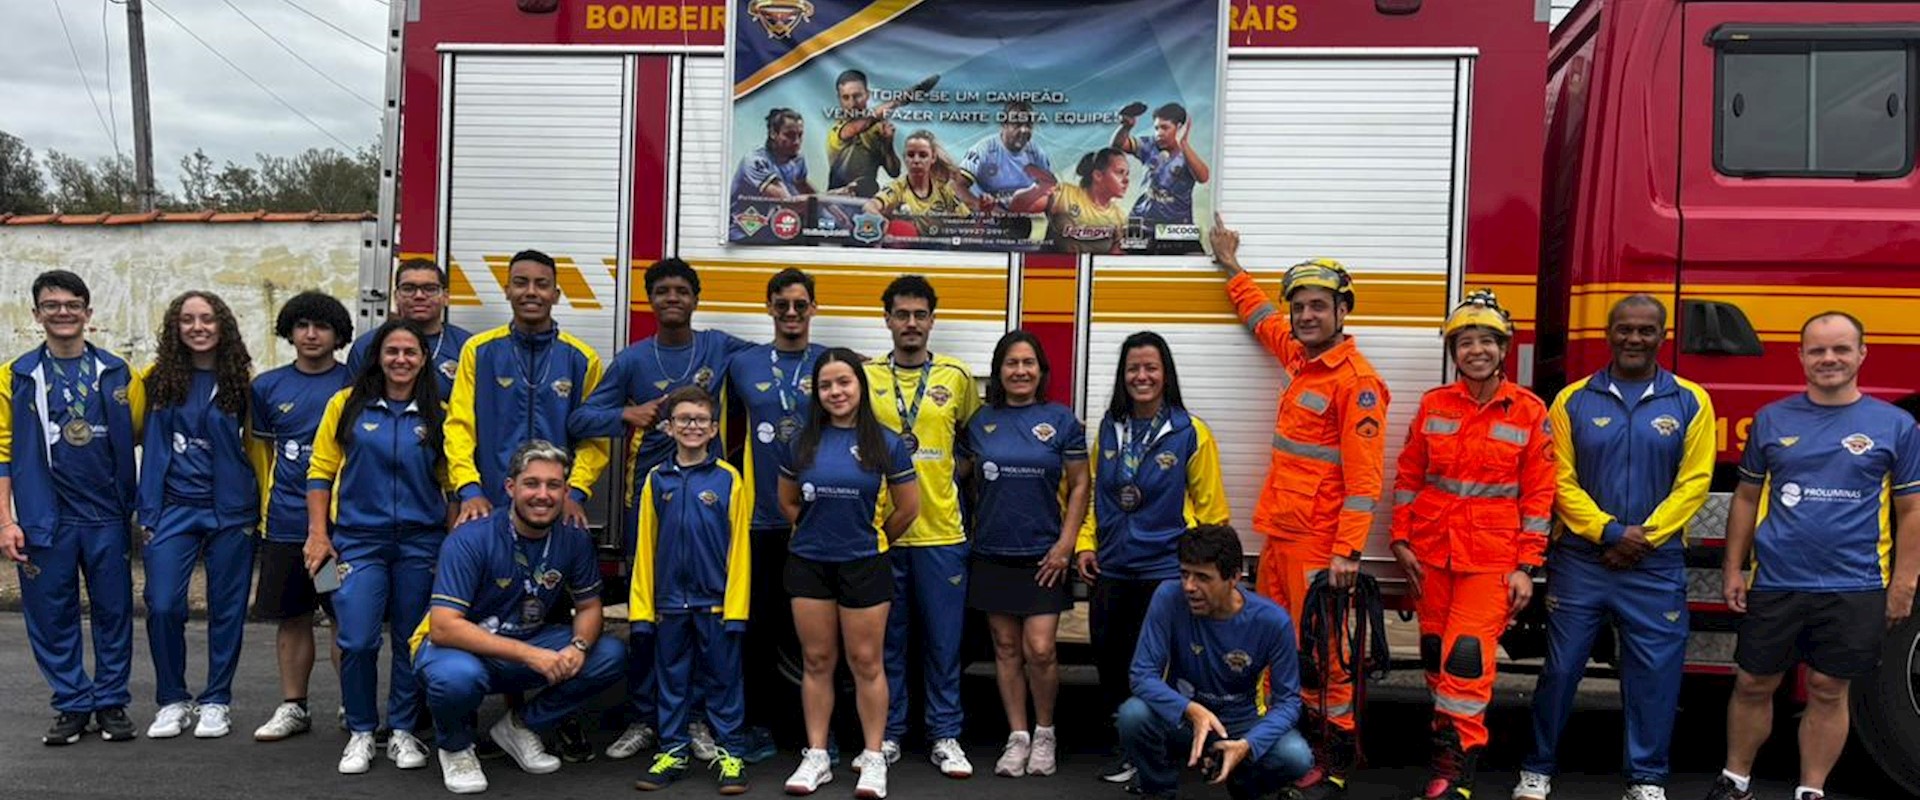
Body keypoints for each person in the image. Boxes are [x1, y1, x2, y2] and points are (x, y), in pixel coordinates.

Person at [1705, 312, 1920, 800]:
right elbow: (1745, 498)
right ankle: (1735, 781)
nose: (1829, 359)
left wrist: (1904, 583)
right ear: (1801, 356)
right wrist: (1733, 567)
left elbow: (1911, 511)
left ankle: (1811, 790)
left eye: (1841, 349)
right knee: (1753, 682)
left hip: (1855, 585)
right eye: (1818, 350)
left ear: (1862, 354)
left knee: (1828, 687)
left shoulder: (1896, 426)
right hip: (1776, 580)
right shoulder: (1771, 419)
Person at [1211, 219, 1387, 799]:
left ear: (1343, 311)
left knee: (1324, 657)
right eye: (1301, 306)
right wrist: (1233, 268)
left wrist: (1348, 553)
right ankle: (1288, 751)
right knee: (1279, 650)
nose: (1306, 316)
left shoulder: (1357, 384)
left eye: (1318, 306)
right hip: (1281, 537)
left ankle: (1331, 760)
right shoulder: (1301, 359)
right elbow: (1264, 320)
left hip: (1319, 547)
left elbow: (1364, 481)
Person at [1517, 295, 1714, 800]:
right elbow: (1559, 479)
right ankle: (1537, 769)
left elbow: (1695, 482)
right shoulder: (1572, 400)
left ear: (1663, 336)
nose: (1634, 338)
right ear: (1609, 333)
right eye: (1625, 329)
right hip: (1582, 560)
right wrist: (1607, 532)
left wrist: (1643, 537)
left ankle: (1646, 779)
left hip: (1654, 561)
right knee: (1561, 670)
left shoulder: (1691, 400)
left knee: (1655, 676)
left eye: (1646, 330)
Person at [573, 256, 751, 762]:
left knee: (705, 623)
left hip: (710, 504)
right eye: (662, 291)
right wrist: (625, 413)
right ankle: (644, 718)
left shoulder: (717, 346)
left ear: (696, 298)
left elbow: (774, 357)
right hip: (651, 501)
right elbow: (581, 418)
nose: (673, 298)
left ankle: (695, 719)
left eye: (682, 291)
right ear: (649, 300)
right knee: (650, 616)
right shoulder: (632, 360)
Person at [1388, 290, 1553, 800]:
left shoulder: (1529, 412)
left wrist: (1527, 565)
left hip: (1491, 559)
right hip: (1432, 552)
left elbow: (1539, 495)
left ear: (1503, 348)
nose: (1476, 350)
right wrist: (1400, 537)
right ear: (1454, 351)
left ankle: (1457, 763)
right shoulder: (1434, 404)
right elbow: (1409, 475)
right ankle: (1446, 741)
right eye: (1465, 342)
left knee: (1465, 658)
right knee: (1435, 655)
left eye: (1486, 341)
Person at [411, 440, 626, 795]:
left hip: (525, 642)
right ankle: (456, 747)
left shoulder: (573, 538)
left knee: (609, 655)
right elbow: (444, 627)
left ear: (566, 491)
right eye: (531, 484)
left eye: (553, 485)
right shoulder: (471, 537)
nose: (542, 495)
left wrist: (577, 646)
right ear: (510, 487)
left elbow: (589, 608)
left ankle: (520, 726)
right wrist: (531, 655)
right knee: (456, 678)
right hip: (461, 650)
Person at [1074, 331, 1231, 785]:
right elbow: (1097, 496)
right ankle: (1129, 749)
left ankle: (1161, 756)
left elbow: (1212, 513)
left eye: (1150, 368)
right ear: (1122, 376)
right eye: (1133, 369)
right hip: (1112, 568)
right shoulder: (1110, 428)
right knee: (1112, 664)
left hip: (1164, 571)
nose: (1141, 377)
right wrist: (1086, 542)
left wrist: (1202, 574)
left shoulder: (1190, 432)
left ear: (1166, 375)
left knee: (1159, 671)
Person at [0, 270, 144, 745]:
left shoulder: (118, 372)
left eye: (72, 304)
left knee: (114, 613)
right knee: (51, 615)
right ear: (36, 313)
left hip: (106, 515)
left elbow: (139, 432)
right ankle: (72, 703)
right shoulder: (16, 376)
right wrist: (5, 521)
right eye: (52, 305)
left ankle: (111, 701)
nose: (62, 312)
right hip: (45, 518)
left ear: (88, 312)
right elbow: (2, 453)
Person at [305, 320, 451, 774]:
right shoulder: (346, 405)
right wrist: (318, 534)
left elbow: (452, 483)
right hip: (357, 542)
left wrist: (450, 546)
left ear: (423, 360)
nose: (401, 359)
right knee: (357, 638)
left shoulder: (439, 413)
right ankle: (362, 731)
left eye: (410, 352)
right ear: (378, 357)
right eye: (392, 351)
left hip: (421, 543)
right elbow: (320, 471)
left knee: (412, 639)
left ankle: (403, 731)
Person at [778, 348, 920, 800]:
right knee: (817, 661)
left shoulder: (886, 443)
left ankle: (873, 757)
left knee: (866, 662)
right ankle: (817, 754)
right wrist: (816, 533)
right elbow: (787, 502)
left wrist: (872, 541)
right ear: (816, 393)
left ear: (860, 385)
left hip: (865, 565)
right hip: (809, 564)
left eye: (844, 382)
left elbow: (908, 508)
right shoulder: (802, 442)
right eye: (826, 385)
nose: (835, 392)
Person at [957, 330, 1088, 778]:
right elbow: (956, 476)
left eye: (1028, 363)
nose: (1020, 371)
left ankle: (1045, 732)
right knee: (1006, 648)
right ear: (998, 372)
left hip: (1043, 556)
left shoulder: (1061, 420)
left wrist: (1066, 545)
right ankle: (1018, 737)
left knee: (1041, 649)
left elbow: (1081, 484)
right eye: (1011, 363)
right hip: (992, 550)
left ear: (1040, 370)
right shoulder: (980, 421)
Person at [866, 275, 981, 777]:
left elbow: (973, 442)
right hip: (884, 533)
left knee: (943, 644)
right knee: (888, 642)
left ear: (932, 320)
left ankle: (945, 735)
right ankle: (889, 733)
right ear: (887, 320)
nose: (910, 323)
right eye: (902, 314)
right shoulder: (867, 376)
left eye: (919, 315)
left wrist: (949, 476)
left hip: (943, 534)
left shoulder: (956, 376)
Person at [138, 290, 260, 740]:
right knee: (163, 604)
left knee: (227, 609)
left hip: (231, 510)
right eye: (187, 319)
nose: (198, 327)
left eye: (207, 318)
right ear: (175, 327)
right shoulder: (156, 379)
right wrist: (147, 508)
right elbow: (141, 438)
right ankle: (172, 700)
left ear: (222, 324)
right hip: (172, 507)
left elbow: (257, 447)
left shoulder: (243, 383)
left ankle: (216, 701)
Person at [1116, 525, 1314, 800]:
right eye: (1184, 574)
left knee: (1297, 757)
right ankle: (1159, 790)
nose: (1189, 586)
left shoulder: (1272, 621)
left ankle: (1243, 782)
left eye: (1202, 577)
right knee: (1133, 715)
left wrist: (1248, 745)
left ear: (1234, 578)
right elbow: (1141, 674)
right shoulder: (1168, 598)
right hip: (1184, 718)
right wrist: (1190, 710)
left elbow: (1288, 702)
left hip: (1240, 723)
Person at [630, 386, 753, 794]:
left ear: (714, 428)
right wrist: (642, 611)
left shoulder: (728, 479)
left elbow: (739, 550)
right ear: (669, 427)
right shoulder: (656, 480)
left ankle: (730, 753)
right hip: (669, 605)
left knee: (723, 681)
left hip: (716, 604)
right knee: (671, 682)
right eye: (684, 419)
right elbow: (645, 549)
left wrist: (736, 609)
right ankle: (673, 752)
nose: (692, 426)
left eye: (701, 420)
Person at [724, 267, 827, 746]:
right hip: (762, 518)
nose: (791, 312)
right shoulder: (742, 364)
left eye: (800, 304)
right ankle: (760, 726)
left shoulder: (830, 362)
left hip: (819, 520)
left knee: (816, 633)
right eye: (781, 304)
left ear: (814, 309)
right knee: (761, 627)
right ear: (768, 307)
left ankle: (816, 731)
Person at [248, 291, 355, 744]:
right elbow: (262, 456)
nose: (312, 335)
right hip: (287, 528)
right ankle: (294, 706)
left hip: (338, 532)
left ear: (338, 335)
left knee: (342, 615)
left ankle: (354, 706)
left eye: (322, 326)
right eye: (302, 326)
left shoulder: (355, 384)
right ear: (289, 332)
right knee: (293, 616)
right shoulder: (266, 387)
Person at [447, 248, 608, 529]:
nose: (531, 292)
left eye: (541, 284)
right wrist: (469, 488)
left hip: (554, 505)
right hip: (488, 503)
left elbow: (595, 439)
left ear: (556, 295)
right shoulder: (478, 351)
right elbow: (459, 427)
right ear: (507, 290)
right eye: (521, 283)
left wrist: (575, 491)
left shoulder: (582, 359)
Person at [345, 258, 472, 397]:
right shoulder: (367, 345)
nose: (419, 296)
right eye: (408, 289)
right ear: (396, 296)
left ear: (446, 297)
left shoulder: (467, 347)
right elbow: (352, 402)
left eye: (430, 289)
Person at [1009, 147, 1129, 254]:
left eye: (1127, 174)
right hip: (1049, 268)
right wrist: (1038, 190)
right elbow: (1017, 206)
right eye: (1120, 172)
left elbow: (1114, 260)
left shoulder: (1119, 217)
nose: (1126, 180)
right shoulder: (1065, 195)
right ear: (1098, 175)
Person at [1111, 102, 1211, 226]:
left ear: (1179, 128)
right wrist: (1126, 127)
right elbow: (1117, 146)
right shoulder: (1150, 145)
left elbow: (1203, 177)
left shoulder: (1188, 157)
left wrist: (1183, 143)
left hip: (1175, 227)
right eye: (1156, 128)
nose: (1159, 133)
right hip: (1140, 221)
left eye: (1165, 127)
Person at [862, 129, 974, 238]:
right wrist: (879, 218)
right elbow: (869, 205)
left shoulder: (943, 190)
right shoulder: (897, 188)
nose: (916, 160)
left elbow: (968, 221)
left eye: (923, 155)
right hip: (908, 248)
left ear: (933, 158)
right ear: (905, 158)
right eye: (911, 155)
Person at [730, 108, 815, 242]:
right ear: (773, 133)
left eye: (800, 135)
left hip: (776, 235)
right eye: (789, 135)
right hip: (743, 238)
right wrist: (833, 196)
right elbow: (789, 203)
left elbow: (804, 187)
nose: (797, 142)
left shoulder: (797, 160)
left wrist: (836, 211)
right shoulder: (755, 161)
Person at [955, 101, 1054, 207]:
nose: (1024, 130)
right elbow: (957, 186)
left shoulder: (1037, 154)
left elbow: (1050, 189)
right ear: (1004, 124)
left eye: (1028, 125)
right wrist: (979, 206)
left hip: (1021, 214)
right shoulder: (983, 149)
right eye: (1017, 124)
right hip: (986, 214)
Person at [827, 69, 901, 198]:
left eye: (857, 96)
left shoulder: (877, 130)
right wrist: (897, 102)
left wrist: (888, 144)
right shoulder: (837, 131)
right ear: (839, 99)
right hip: (837, 202)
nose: (852, 104)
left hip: (867, 202)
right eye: (845, 97)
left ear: (867, 95)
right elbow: (861, 126)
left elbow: (894, 172)